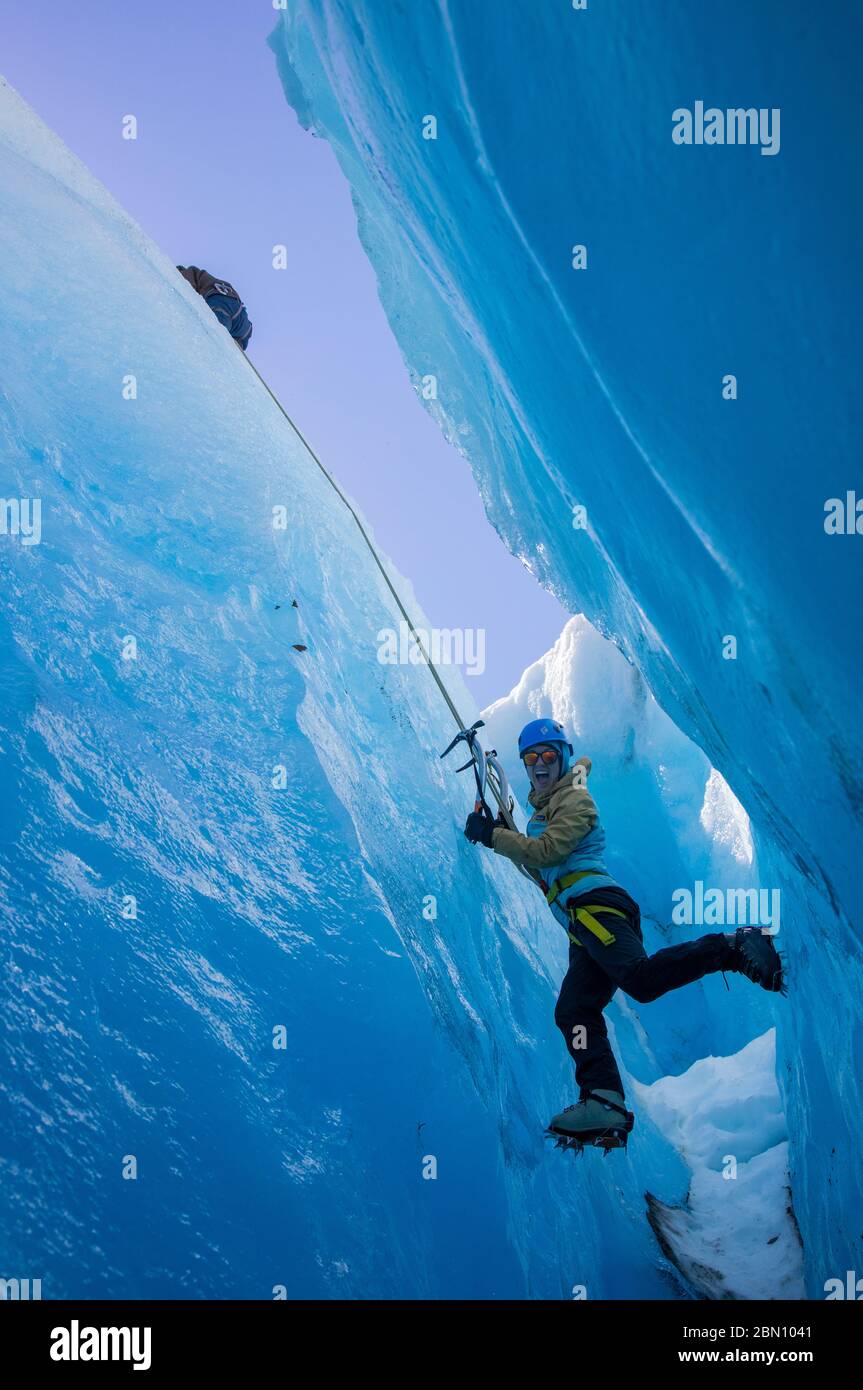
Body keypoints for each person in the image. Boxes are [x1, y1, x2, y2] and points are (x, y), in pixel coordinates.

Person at [464, 717, 785, 1151]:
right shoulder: (545, 811)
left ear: (563, 758)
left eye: (547, 756)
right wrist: (498, 831)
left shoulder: (575, 799)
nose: (539, 764)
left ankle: (731, 948)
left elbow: (547, 852)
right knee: (574, 1011)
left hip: (599, 907)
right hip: (581, 925)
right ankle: (604, 1099)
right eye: (531, 758)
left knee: (641, 980)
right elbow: (540, 861)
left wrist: (494, 837)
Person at [177, 266, 253, 351]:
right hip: (241, 316)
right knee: (242, 336)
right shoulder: (201, 275)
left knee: (215, 331)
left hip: (220, 303)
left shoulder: (182, 273)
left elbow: (186, 287)